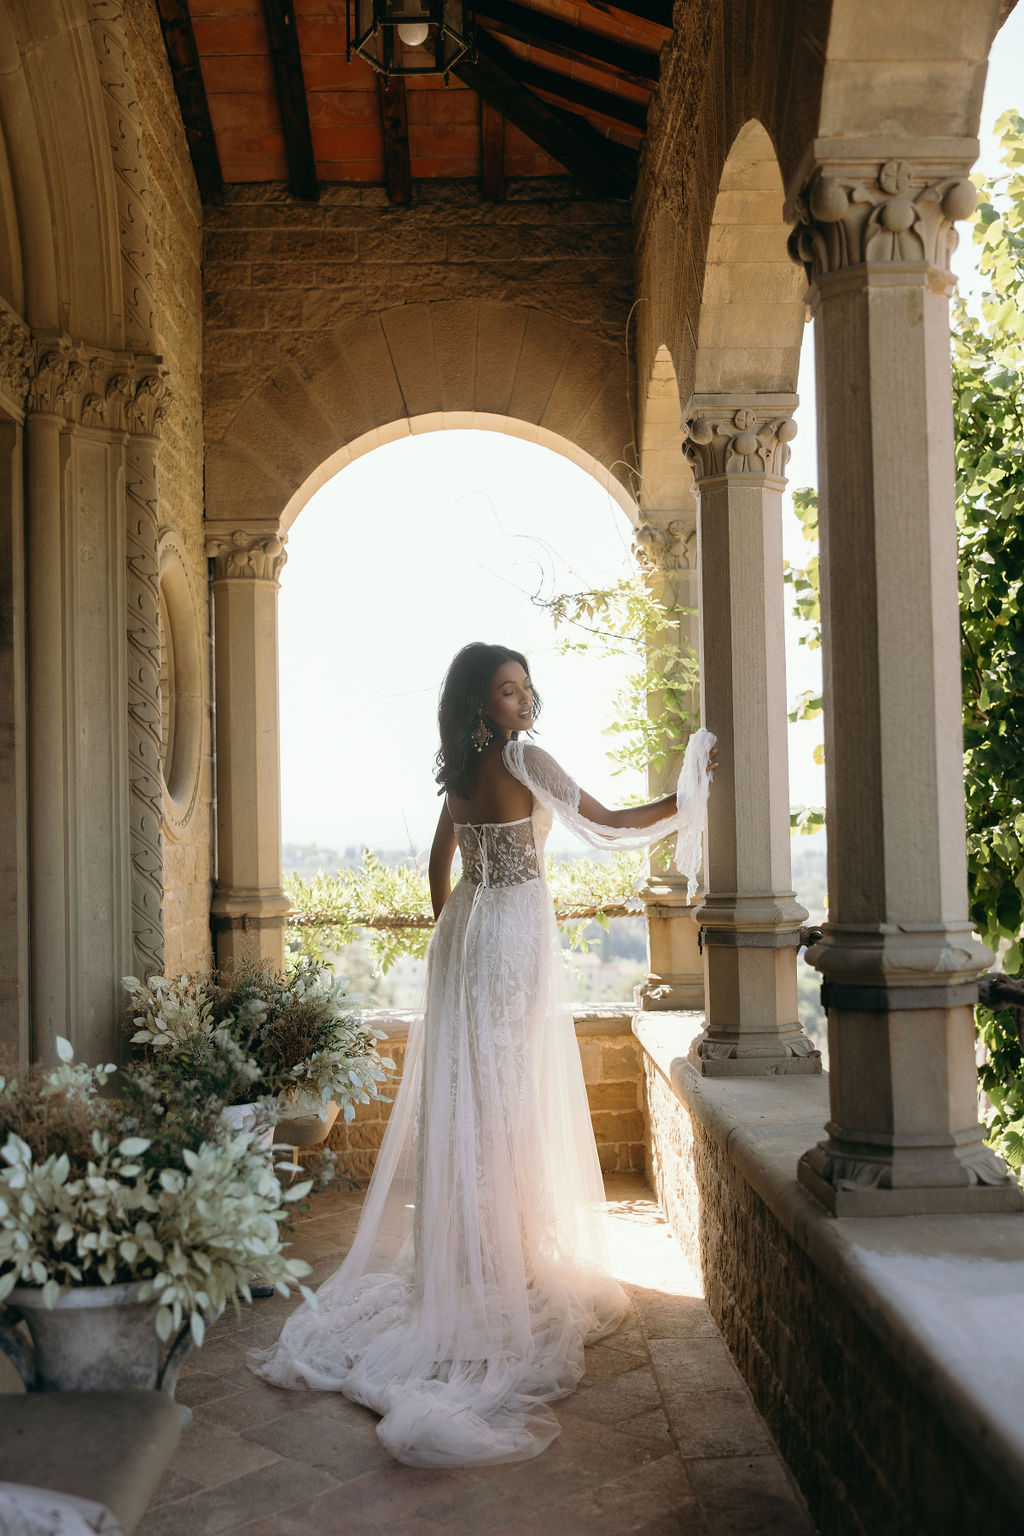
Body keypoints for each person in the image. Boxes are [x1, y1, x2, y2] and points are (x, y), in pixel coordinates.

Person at [249, 643, 716, 1468]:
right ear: (480, 704)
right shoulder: (523, 758)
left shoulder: (461, 770)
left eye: (527, 686)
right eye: (508, 690)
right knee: (503, 1097)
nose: (525, 698)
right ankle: (505, 1264)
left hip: (468, 931)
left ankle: (473, 1257)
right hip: (510, 934)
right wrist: (687, 797)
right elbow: (607, 824)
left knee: (474, 1093)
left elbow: (439, 864)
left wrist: (452, 934)